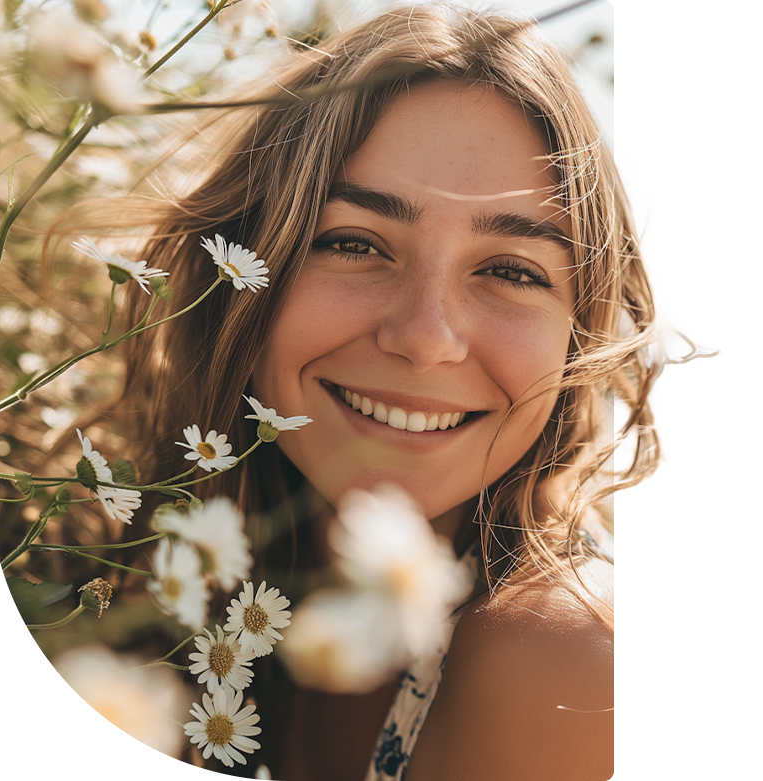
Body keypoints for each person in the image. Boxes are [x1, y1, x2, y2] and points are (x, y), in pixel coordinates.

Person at [65, 3, 722, 777]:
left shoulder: (567, 661)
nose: (425, 335)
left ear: (577, 337)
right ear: (242, 274)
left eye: (510, 270)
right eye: (353, 243)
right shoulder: (154, 569)